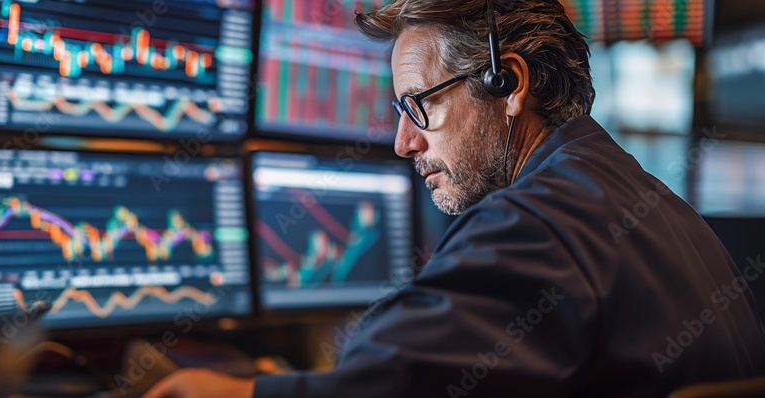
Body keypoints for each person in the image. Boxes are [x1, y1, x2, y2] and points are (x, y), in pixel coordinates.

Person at [145, 0, 765, 396]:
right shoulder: (637, 196)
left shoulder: (538, 221)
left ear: (509, 84)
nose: (402, 142)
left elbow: (387, 385)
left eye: (420, 104)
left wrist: (237, 392)